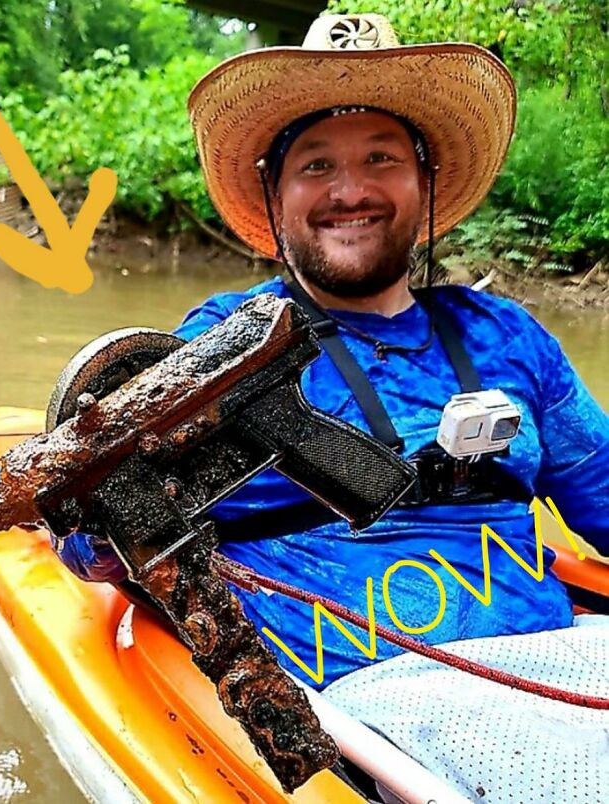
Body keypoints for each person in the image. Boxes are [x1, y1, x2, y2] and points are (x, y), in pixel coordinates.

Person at [56, 13, 609, 803]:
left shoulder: (507, 337)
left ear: (423, 183)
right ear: (276, 199)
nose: (350, 190)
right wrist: (102, 510)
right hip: (371, 712)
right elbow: (96, 545)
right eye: (316, 165)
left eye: (380, 158)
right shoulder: (219, 347)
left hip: (559, 659)